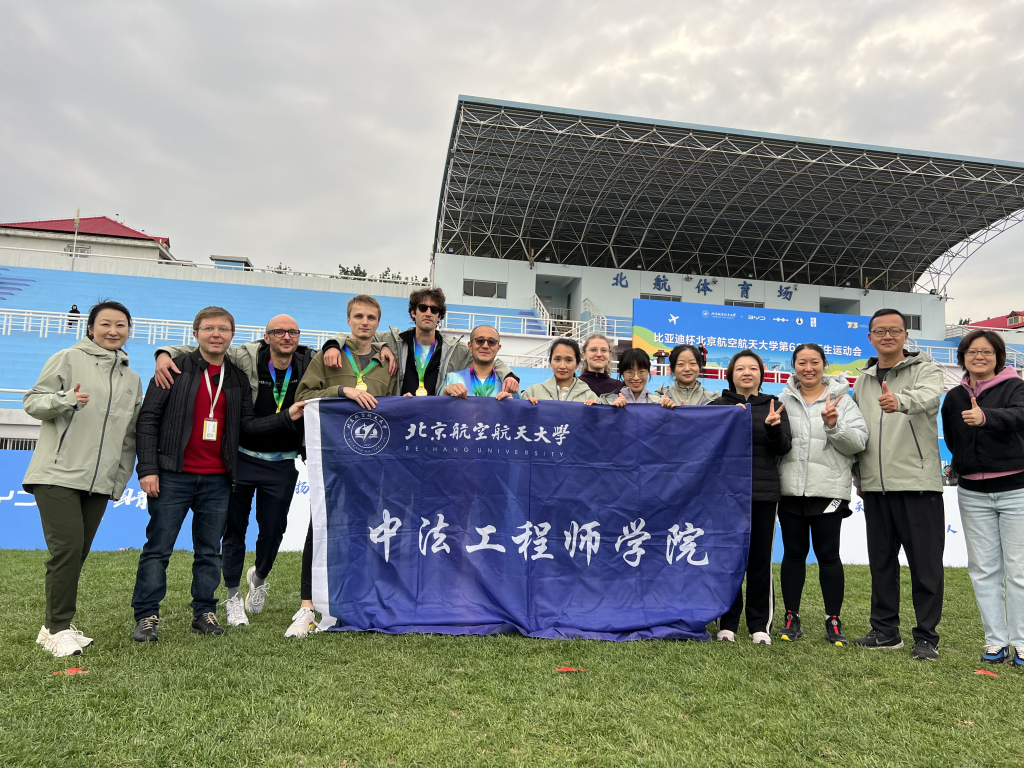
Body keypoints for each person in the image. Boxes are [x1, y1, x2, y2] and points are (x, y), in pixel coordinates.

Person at [131, 307, 306, 642]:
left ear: (232, 335)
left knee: (210, 551)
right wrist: (148, 469)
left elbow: (247, 425)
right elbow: (148, 419)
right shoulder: (173, 368)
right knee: (158, 548)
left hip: (219, 478)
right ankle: (147, 615)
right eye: (209, 328)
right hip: (173, 474)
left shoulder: (237, 377)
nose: (216, 334)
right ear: (195, 333)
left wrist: (287, 416)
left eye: (223, 329)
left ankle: (204, 612)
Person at [24, 301, 141, 658]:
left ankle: (51, 627)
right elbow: (32, 402)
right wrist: (66, 399)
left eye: (120, 325)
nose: (113, 331)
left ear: (129, 330)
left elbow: (129, 437)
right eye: (105, 324)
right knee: (67, 549)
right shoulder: (67, 358)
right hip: (56, 473)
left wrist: (118, 481)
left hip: (99, 482)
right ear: (90, 328)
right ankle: (58, 628)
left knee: (77, 553)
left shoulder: (132, 380)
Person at [290, 295, 398, 637]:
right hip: (332, 457)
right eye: (359, 316)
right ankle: (307, 606)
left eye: (371, 318)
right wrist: (343, 391)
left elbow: (393, 408)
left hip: (371, 461)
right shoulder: (329, 356)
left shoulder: (386, 363)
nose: (365, 322)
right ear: (348, 320)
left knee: (368, 528)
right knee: (321, 527)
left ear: (378, 323)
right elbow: (302, 398)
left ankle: (358, 598)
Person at [850, 308, 945, 660]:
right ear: (870, 337)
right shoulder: (862, 381)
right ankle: (885, 631)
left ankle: (927, 637)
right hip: (875, 486)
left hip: (917, 481)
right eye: (880, 331)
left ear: (906, 335)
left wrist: (900, 401)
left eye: (894, 330)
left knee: (925, 565)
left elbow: (929, 397)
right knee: (881, 563)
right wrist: (858, 473)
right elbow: (858, 431)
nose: (887, 336)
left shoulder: (925, 369)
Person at [940, 330, 1024, 667]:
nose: (979, 357)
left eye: (987, 352)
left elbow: (1020, 417)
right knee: (983, 569)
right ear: (962, 357)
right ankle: (996, 642)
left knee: (1019, 570)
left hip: (1016, 489)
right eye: (972, 351)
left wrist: (986, 417)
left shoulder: (1015, 386)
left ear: (999, 356)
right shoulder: (954, 397)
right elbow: (952, 437)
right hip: (972, 492)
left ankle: (1021, 642)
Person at [776, 343, 868, 646]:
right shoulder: (781, 400)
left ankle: (833, 619)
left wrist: (834, 425)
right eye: (802, 362)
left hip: (828, 491)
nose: (808, 368)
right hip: (790, 490)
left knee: (828, 556)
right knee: (793, 554)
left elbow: (858, 443)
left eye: (814, 362)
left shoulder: (843, 400)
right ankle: (791, 617)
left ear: (824, 365)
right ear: (793, 366)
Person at [710, 349, 792, 644]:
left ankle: (759, 625)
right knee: (728, 560)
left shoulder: (775, 405)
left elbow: (783, 448)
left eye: (753, 368)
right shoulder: (718, 406)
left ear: (761, 374)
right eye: (740, 368)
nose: (747, 373)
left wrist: (773, 428)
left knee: (760, 561)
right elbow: (705, 446)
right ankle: (727, 624)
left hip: (763, 494)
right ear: (730, 375)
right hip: (726, 496)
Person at [320, 287, 519, 397]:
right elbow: (357, 336)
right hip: (401, 416)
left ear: (439, 316)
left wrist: (509, 374)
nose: (428, 313)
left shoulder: (454, 349)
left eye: (434, 310)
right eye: (423, 308)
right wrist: (333, 345)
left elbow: (485, 357)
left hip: (433, 419)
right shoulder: (392, 340)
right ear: (413, 312)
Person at [442, 325, 516, 399]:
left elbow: (520, 405)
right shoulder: (450, 379)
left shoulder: (509, 385)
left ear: (498, 348)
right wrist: (445, 394)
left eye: (491, 342)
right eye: (480, 341)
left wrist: (511, 404)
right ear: (470, 346)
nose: (485, 346)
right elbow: (438, 406)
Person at [521, 338, 598, 403]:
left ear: (577, 364)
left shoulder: (589, 397)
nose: (562, 366)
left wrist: (596, 410)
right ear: (550, 361)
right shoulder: (533, 392)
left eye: (569, 360)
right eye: (557, 359)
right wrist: (526, 406)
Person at [602, 348, 671, 406]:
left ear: (648, 372)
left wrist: (668, 411)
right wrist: (612, 411)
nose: (636, 378)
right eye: (630, 372)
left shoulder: (659, 403)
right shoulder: (607, 402)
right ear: (622, 373)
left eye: (641, 371)